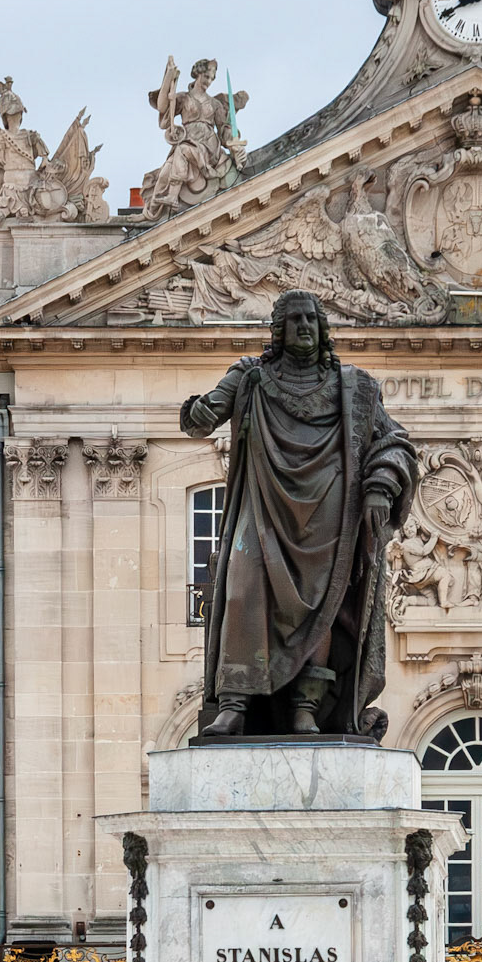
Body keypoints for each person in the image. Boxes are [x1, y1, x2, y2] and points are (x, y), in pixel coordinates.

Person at [180, 291, 416, 738]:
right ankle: (233, 703)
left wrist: (381, 486)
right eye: (295, 320)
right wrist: (202, 408)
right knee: (242, 588)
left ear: (322, 327)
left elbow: (394, 441)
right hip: (264, 505)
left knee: (320, 608)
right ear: (279, 330)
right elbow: (202, 418)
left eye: (312, 318)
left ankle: (306, 707)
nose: (304, 326)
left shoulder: (355, 387)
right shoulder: (252, 378)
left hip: (329, 513)